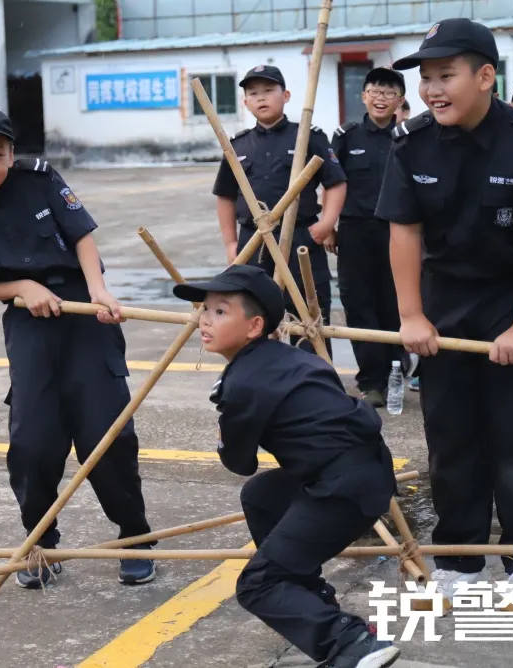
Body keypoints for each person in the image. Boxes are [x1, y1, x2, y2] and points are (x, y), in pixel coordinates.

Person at [376, 18, 513, 611]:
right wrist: (413, 317)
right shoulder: (412, 141)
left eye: (445, 75)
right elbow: (403, 235)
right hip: (443, 301)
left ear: (485, 76)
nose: (433, 88)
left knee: (512, 436)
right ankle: (459, 557)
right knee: (450, 435)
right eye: (426, 77)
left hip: (508, 299)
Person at [0, 106, 155, 588]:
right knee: (33, 442)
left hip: (85, 314)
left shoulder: (40, 179)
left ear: (13, 154)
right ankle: (40, 542)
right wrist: (20, 287)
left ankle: (133, 537)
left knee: (107, 435)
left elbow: (82, 236)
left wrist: (98, 289)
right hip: (29, 323)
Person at [172, 264, 402, 668]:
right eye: (204, 309)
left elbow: (238, 461)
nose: (204, 320)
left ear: (254, 325)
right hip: (365, 474)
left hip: (340, 492)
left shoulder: (243, 382)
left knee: (258, 585)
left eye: (220, 311)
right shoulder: (291, 358)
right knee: (262, 495)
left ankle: (351, 644)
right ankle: (311, 599)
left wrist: (226, 418)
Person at [213, 65, 347, 356]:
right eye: (253, 93)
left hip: (301, 239)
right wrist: (231, 244)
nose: (261, 98)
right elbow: (224, 196)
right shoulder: (237, 145)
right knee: (253, 318)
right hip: (254, 241)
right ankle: (260, 380)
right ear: (245, 102)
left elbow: (336, 183)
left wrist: (326, 224)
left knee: (309, 318)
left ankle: (314, 384)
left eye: (269, 90)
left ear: (285, 95)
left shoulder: (308, 136)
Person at [331, 68, 414, 406]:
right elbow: (332, 182)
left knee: (396, 303)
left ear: (400, 100)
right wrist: (330, 223)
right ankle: (371, 382)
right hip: (355, 233)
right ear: (363, 96)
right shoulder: (346, 136)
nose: (381, 98)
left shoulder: (408, 136)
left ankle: (397, 370)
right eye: (375, 91)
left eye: (389, 92)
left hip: (398, 233)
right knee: (359, 304)